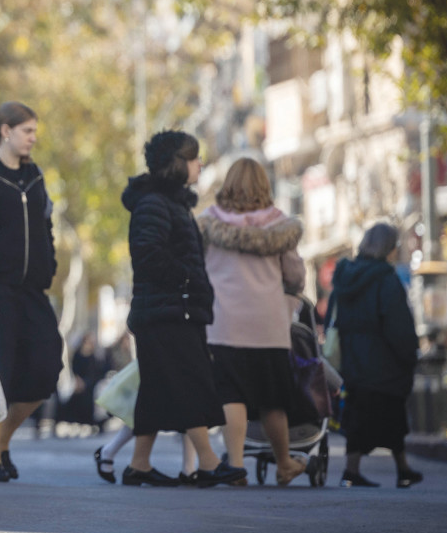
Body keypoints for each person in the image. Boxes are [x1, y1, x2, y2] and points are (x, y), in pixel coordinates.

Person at [119, 130, 245, 488]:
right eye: (193, 158)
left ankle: (139, 465)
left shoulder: (171, 203)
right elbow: (147, 254)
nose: (200, 164)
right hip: (167, 311)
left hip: (173, 309)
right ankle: (208, 461)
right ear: (177, 164)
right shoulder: (153, 204)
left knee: (157, 390)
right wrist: (187, 281)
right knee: (192, 381)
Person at [0, 101, 62, 482]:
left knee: (46, 368)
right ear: (5, 130)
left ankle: (1, 442)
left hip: (32, 289)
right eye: (28, 131)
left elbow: (47, 223)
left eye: (34, 131)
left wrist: (48, 266)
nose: (33, 138)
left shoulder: (34, 176)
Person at [198, 157, 308, 486]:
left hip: (222, 323)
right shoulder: (279, 226)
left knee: (232, 395)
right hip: (268, 326)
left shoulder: (207, 224)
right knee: (273, 399)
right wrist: (288, 301)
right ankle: (285, 463)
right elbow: (295, 274)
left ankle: (234, 466)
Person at [329, 222, 422, 488]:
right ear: (389, 248)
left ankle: (356, 469)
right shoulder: (385, 278)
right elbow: (398, 324)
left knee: (359, 415)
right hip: (383, 361)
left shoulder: (345, 275)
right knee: (392, 414)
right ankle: (399, 469)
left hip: (353, 360)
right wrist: (408, 355)